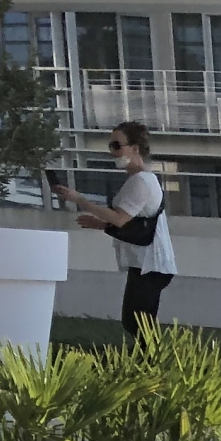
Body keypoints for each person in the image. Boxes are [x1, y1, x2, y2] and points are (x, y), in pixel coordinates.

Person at [54, 123, 175, 337]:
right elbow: (132, 222)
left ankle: (155, 364)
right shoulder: (138, 180)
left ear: (135, 148)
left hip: (150, 264)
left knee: (138, 324)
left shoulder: (142, 181)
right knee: (136, 322)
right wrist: (101, 224)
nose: (112, 152)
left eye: (117, 145)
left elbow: (120, 219)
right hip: (145, 263)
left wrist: (80, 200)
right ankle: (151, 363)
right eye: (111, 146)